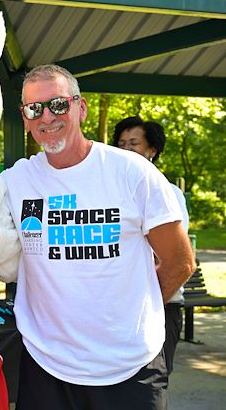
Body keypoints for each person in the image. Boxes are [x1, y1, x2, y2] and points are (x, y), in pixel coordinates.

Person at [0, 64, 195, 410]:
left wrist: (137, 308)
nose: (47, 117)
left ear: (81, 107)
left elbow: (181, 262)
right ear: (25, 118)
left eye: (58, 104)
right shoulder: (15, 181)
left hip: (130, 367)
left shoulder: (132, 172)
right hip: (46, 368)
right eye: (34, 108)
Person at [113, 116, 191, 375]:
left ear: (152, 150)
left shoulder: (168, 192)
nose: (126, 150)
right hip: (120, 308)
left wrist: (152, 304)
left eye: (134, 143)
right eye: (121, 143)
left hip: (162, 304)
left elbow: (170, 258)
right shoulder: (110, 192)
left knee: (151, 382)